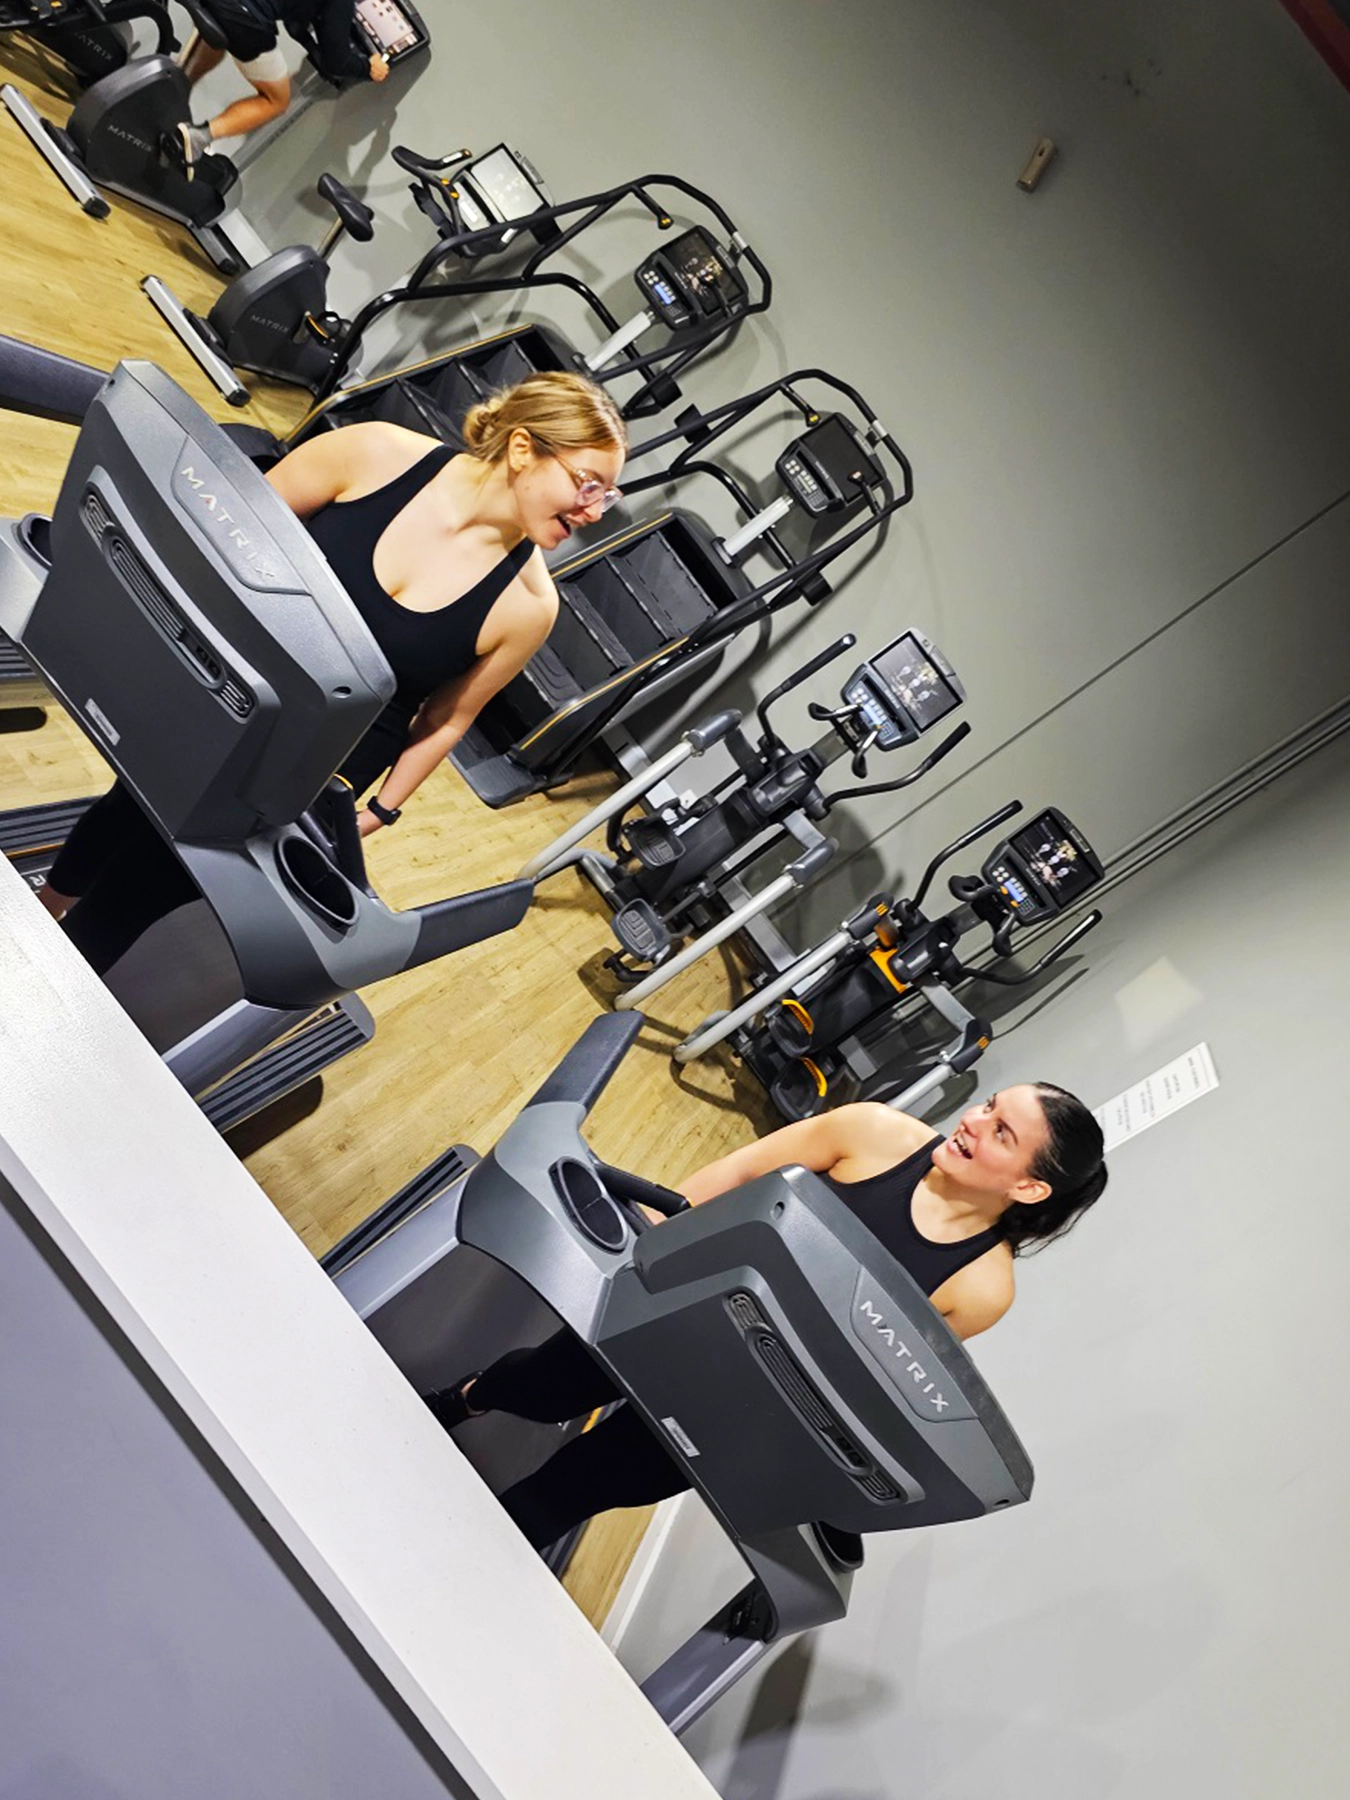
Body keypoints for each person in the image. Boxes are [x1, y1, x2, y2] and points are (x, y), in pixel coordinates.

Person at [36, 371, 628, 972]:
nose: (594, 510)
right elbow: (223, 540)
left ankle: (44, 985)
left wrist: (379, 812)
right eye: (588, 484)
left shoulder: (528, 606)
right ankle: (44, 907)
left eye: (607, 497)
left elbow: (448, 719)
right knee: (125, 811)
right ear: (523, 448)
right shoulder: (372, 454)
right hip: (229, 695)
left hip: (316, 767)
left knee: (152, 883)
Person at [423, 1084, 1109, 1550]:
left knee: (572, 1491)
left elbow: (865, 1374)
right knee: (539, 1392)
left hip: (745, 1400)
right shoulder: (871, 1132)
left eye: (1000, 1131)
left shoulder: (982, 1287)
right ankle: (472, 1396)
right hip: (673, 1303)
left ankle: (451, 1570)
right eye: (989, 1105)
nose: (972, 1121)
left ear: (1028, 1185)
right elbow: (732, 1177)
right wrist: (640, 1260)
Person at [165, 0, 392, 177]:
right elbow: (337, 61)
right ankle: (198, 138)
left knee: (220, 35)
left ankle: (169, 93)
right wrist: (368, 68)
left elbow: (295, 26)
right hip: (245, 15)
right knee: (277, 100)